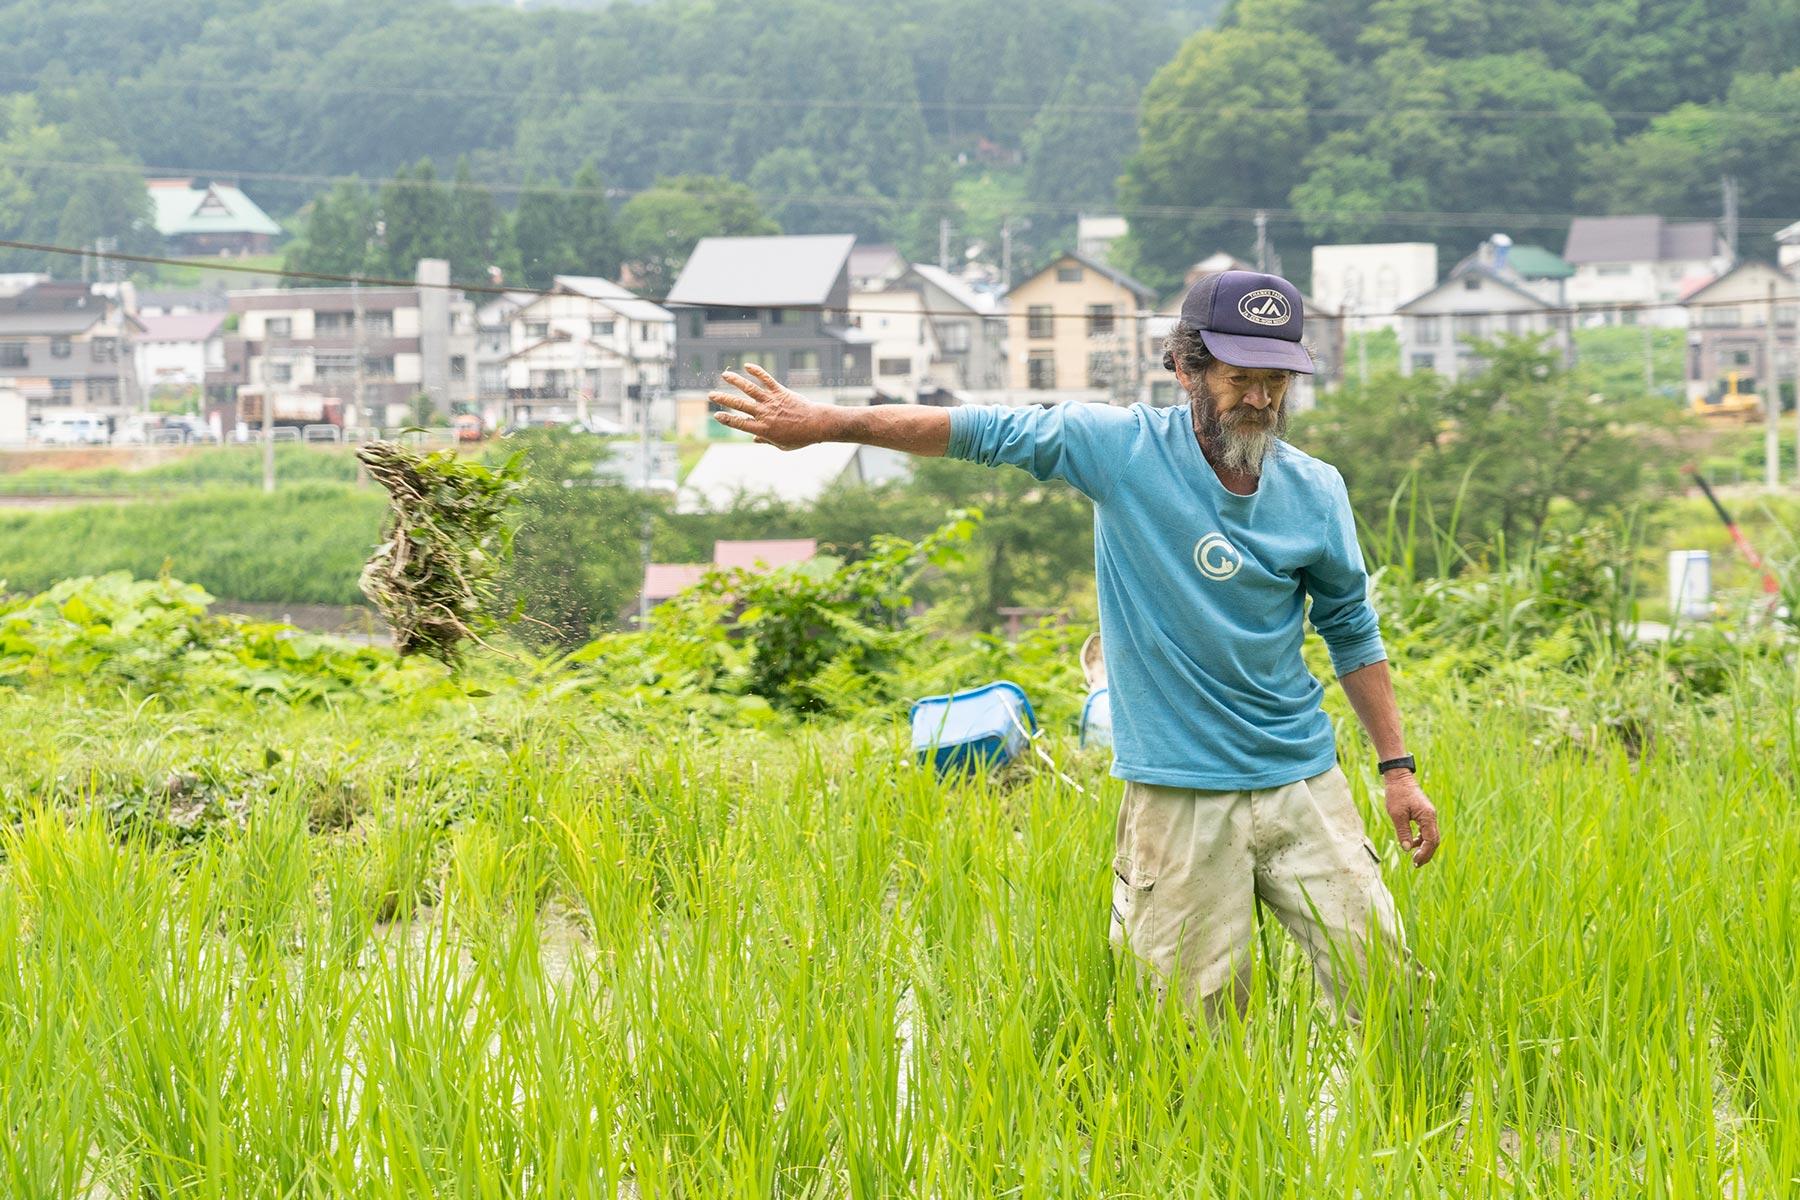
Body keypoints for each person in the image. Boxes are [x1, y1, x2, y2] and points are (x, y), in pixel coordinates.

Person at [709, 268, 1439, 1021]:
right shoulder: (1120, 449)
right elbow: (979, 431)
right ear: (1185, 369)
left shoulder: (1316, 490)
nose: (1259, 399)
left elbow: (1351, 628)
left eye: (1277, 381)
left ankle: (1345, 1128)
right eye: (1239, 377)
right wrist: (828, 422)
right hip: (1178, 791)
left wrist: (1397, 771)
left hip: (1300, 779)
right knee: (1190, 1023)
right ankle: (1211, 1140)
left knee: (1378, 983)